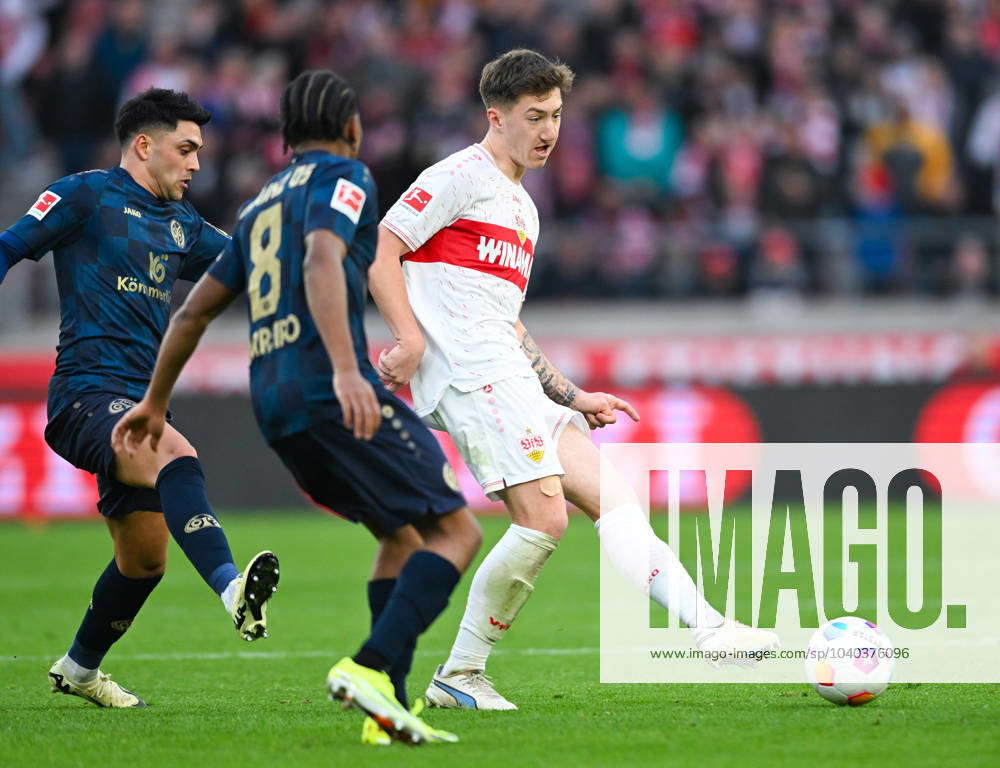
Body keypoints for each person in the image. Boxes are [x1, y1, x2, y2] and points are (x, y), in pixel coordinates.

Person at [373, 49, 781, 711]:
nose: (548, 130)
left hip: (508, 373)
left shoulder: (524, 211)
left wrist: (570, 393)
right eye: (534, 116)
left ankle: (709, 627)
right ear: (495, 116)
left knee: (613, 499)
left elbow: (506, 321)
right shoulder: (457, 176)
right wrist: (410, 338)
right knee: (544, 518)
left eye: (557, 115)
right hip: (470, 378)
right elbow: (383, 251)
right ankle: (461, 673)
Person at [113, 70, 482, 745]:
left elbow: (193, 312)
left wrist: (154, 404)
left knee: (400, 537)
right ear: (351, 131)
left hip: (273, 404)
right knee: (456, 534)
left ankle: (387, 713)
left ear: (285, 140)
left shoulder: (256, 207)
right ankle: (370, 671)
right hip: (328, 387)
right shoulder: (348, 177)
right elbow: (320, 258)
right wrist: (347, 369)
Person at [0, 88, 279, 708]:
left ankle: (78, 668)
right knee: (173, 449)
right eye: (186, 150)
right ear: (144, 146)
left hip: (140, 403)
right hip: (85, 395)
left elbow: (249, 266)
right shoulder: (84, 196)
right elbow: (7, 247)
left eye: (200, 152)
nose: (196, 165)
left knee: (144, 561)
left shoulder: (182, 225)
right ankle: (234, 592)